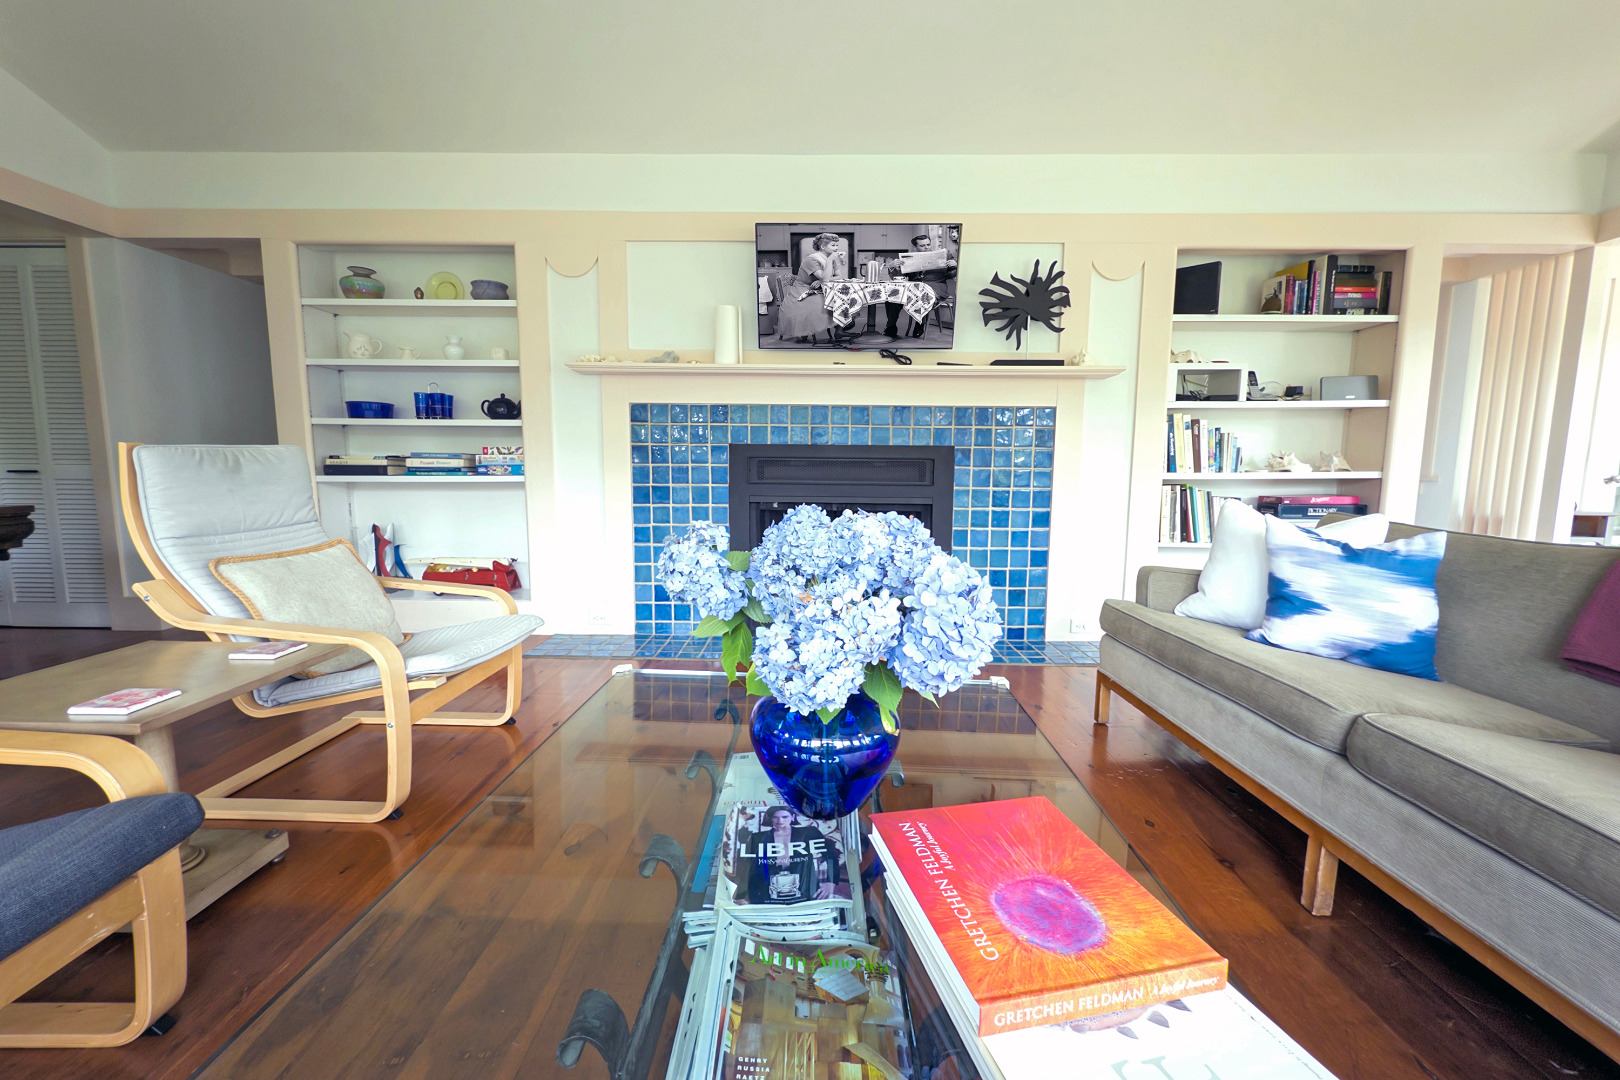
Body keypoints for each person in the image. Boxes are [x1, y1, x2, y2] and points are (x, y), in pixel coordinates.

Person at [736, 806, 841, 903]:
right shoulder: (758, 837)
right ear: (770, 818)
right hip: (765, 888)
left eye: (785, 817)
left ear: (793, 817)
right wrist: (741, 895)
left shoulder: (809, 832)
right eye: (775, 817)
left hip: (804, 886)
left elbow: (831, 855)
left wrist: (831, 882)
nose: (780, 821)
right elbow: (748, 866)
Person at [882, 232, 958, 340]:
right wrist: (892, 267)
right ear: (915, 247)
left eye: (928, 244)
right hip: (913, 288)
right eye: (922, 246)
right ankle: (891, 327)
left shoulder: (945, 256)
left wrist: (955, 266)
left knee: (923, 295)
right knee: (892, 296)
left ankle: (919, 322)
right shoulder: (908, 259)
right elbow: (898, 278)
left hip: (936, 287)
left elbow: (952, 275)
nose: (926, 247)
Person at [776, 232, 841, 345]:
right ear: (823, 246)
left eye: (837, 245)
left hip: (820, 288)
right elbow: (825, 278)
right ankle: (837, 328)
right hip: (803, 290)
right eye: (833, 245)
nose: (836, 248)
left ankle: (840, 330)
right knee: (824, 303)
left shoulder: (831, 258)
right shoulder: (811, 260)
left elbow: (839, 276)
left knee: (839, 298)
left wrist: (822, 280)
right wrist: (824, 276)